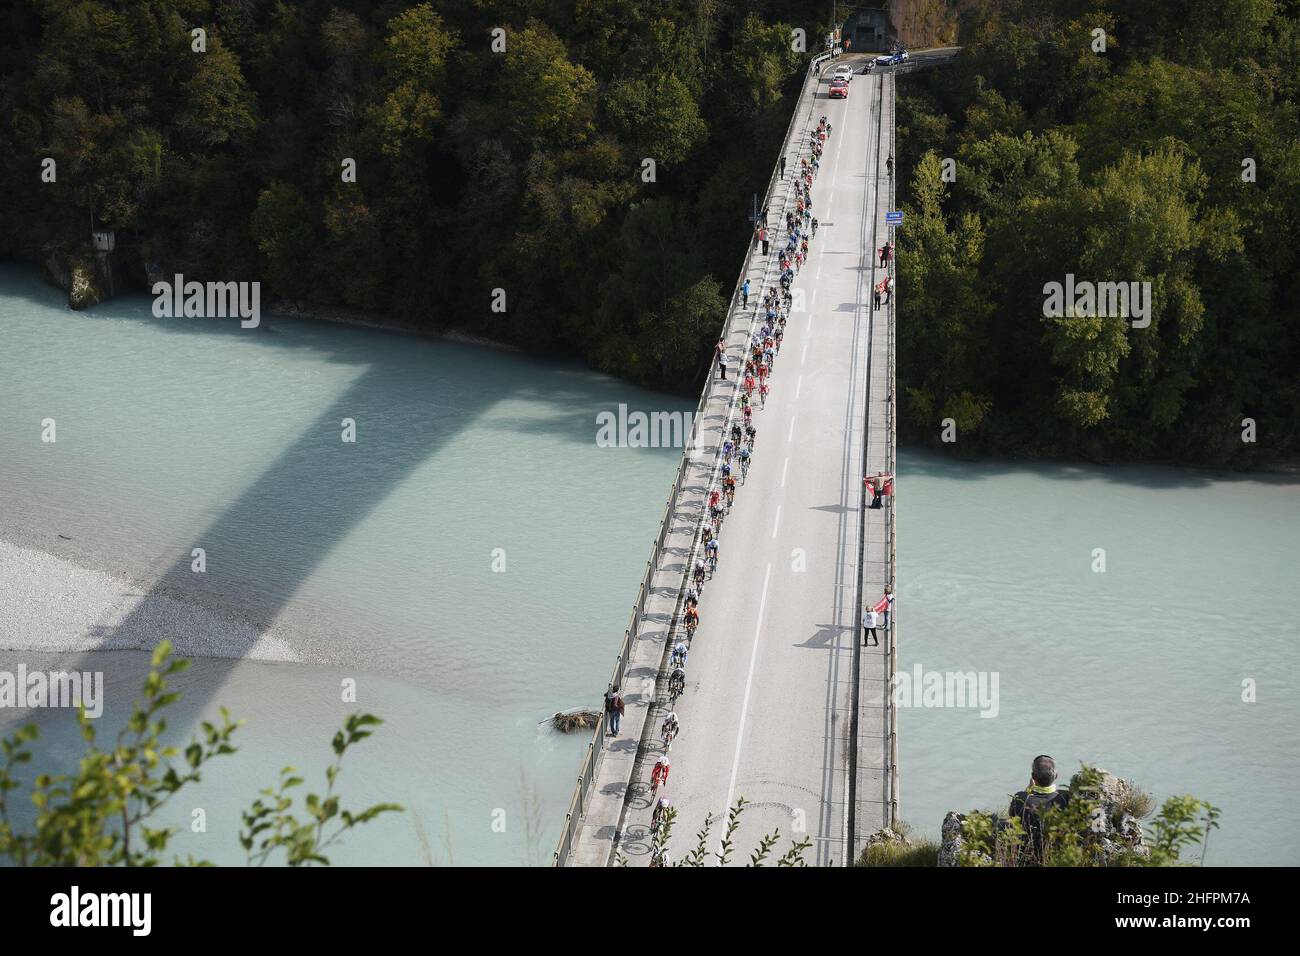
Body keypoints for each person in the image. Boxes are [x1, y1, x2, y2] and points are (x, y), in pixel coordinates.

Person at [1008, 755, 1071, 865]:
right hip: (1056, 859)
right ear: (1056, 776)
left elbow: (1012, 816)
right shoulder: (1064, 798)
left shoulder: (1021, 798)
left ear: (1033, 777)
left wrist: (1028, 789)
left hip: (1025, 860)